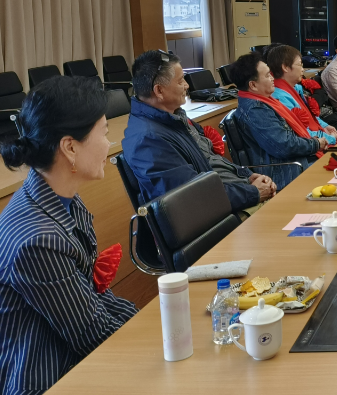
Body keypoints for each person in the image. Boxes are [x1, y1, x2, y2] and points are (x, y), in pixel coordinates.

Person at [0, 76, 137, 394]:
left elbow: (95, 298)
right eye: (104, 133)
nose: (109, 143)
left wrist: (147, 322)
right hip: (51, 377)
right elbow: (92, 335)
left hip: (76, 356)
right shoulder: (37, 241)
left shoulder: (59, 196)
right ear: (70, 147)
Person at [123, 51, 274, 214]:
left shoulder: (174, 118)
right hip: (219, 216)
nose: (187, 85)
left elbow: (211, 159)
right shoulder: (148, 140)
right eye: (180, 81)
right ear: (159, 90)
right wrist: (252, 193)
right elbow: (194, 196)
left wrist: (247, 177)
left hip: (232, 197)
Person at [229, 53, 326, 190]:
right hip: (287, 172)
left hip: (296, 162)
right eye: (267, 75)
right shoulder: (256, 110)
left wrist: (312, 142)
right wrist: (315, 144)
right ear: (253, 85)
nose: (272, 78)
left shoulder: (263, 101)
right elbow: (284, 146)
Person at [266, 44, 337, 143]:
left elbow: (309, 116)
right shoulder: (279, 97)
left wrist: (325, 126)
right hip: (311, 145)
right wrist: (330, 138)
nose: (302, 69)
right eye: (299, 64)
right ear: (285, 67)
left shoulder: (294, 88)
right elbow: (301, 133)